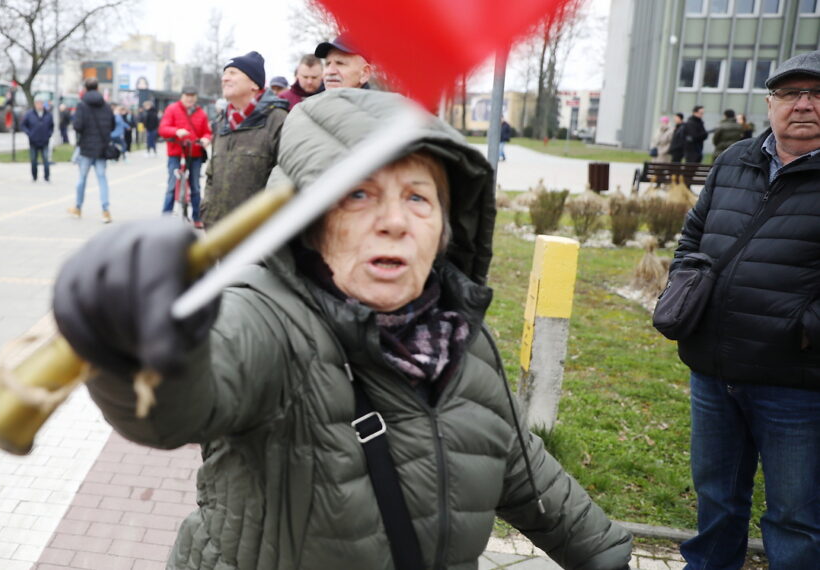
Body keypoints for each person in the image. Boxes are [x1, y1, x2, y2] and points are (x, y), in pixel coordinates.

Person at [53, 88, 634, 570]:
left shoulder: (462, 338)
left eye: (418, 197)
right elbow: (176, 402)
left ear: (447, 226)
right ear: (312, 223)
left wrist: (606, 554)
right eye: (359, 195)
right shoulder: (272, 321)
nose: (394, 222)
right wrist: (130, 337)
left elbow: (515, 463)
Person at [666, 49, 820, 570]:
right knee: (716, 502)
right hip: (713, 371)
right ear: (771, 102)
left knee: (796, 518)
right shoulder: (736, 160)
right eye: (790, 93)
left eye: (817, 94)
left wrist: (805, 329)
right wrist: (685, 286)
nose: (804, 104)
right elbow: (692, 238)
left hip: (795, 382)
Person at [199, 51, 289, 227]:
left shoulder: (277, 120)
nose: (225, 78)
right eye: (225, 74)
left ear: (254, 84)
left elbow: (287, 180)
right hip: (219, 234)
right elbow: (211, 174)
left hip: (258, 237)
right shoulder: (222, 122)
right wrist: (207, 212)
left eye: (233, 73)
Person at [158, 86, 212, 226]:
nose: (189, 99)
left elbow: (207, 132)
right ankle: (166, 217)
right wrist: (176, 131)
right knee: (172, 185)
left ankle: (197, 217)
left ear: (196, 98)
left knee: (195, 186)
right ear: (182, 96)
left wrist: (206, 139)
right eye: (187, 96)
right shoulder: (172, 109)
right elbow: (163, 129)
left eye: (192, 96)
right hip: (176, 153)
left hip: (195, 153)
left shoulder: (201, 113)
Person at [70, 77, 115, 223]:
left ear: (85, 88)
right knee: (102, 179)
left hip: (86, 148)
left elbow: (77, 126)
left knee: (82, 179)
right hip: (102, 147)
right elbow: (112, 125)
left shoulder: (82, 106)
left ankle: (78, 207)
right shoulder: (106, 106)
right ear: (97, 88)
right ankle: (105, 210)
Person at [21, 95, 55, 182]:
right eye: (38, 103)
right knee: (33, 160)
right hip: (33, 140)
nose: (39, 105)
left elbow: (52, 126)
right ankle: (34, 176)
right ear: (35, 104)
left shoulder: (48, 114)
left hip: (44, 140)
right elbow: (23, 125)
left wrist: (49, 134)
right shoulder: (29, 114)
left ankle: (47, 176)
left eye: (41, 103)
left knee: (45, 159)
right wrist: (29, 134)